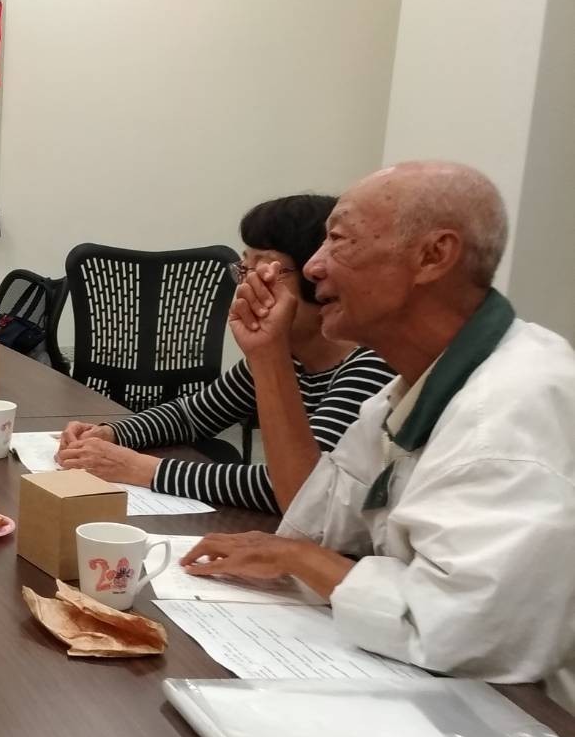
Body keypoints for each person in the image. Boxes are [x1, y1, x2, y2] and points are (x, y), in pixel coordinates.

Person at [184, 162, 575, 694]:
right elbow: (316, 518)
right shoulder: (408, 392)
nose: (313, 267)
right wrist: (269, 356)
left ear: (433, 256)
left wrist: (301, 559)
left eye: (339, 240)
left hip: (524, 717)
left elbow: (462, 634)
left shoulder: (511, 413)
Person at [56, 195, 395, 513]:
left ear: (319, 276)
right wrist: (112, 433)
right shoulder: (287, 356)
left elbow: (296, 488)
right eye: (244, 270)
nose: (247, 287)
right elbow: (192, 415)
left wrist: (142, 468)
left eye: (266, 270)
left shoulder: (370, 365)